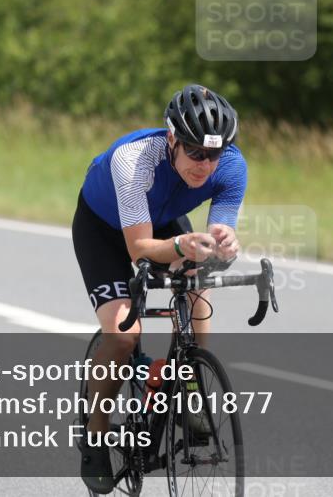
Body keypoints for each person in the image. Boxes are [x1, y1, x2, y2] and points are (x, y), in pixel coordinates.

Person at [72, 84, 246, 493]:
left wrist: (224, 242)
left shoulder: (233, 166)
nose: (205, 165)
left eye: (214, 155)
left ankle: (191, 388)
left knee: (198, 288)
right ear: (173, 139)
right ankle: (95, 437)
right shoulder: (133, 160)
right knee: (123, 335)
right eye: (195, 153)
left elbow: (220, 230)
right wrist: (183, 246)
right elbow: (139, 249)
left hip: (164, 222)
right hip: (106, 229)